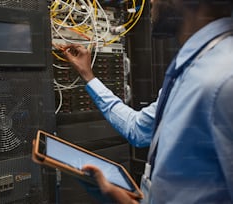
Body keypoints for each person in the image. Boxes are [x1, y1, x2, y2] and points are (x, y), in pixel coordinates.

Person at [60, 0, 233, 203]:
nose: (150, 2)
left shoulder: (223, 79)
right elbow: (138, 129)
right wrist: (89, 77)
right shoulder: (193, 70)